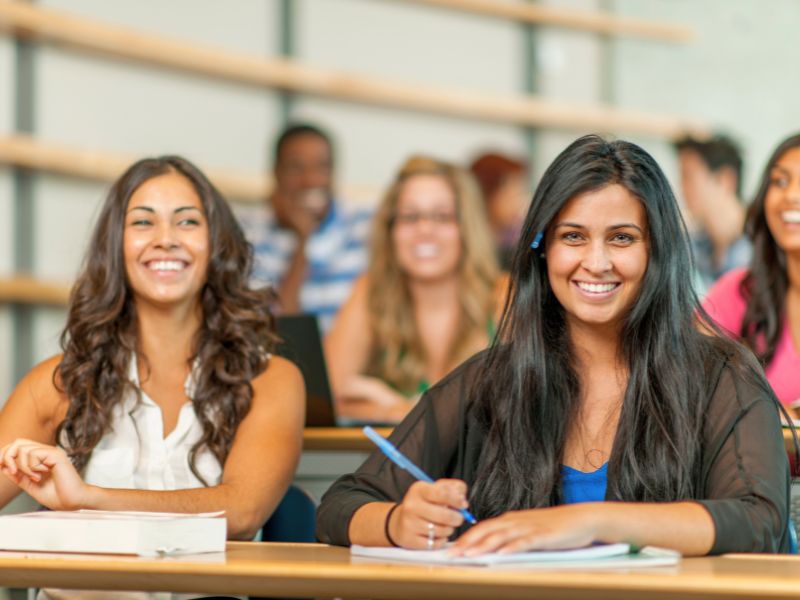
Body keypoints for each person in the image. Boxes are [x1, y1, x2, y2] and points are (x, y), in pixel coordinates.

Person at [317, 135, 790, 556]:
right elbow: (341, 505)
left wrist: (590, 522)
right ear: (542, 251)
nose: (596, 261)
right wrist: (399, 522)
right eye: (573, 237)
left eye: (622, 238)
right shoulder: (491, 379)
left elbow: (757, 520)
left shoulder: (722, 375)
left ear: (656, 251)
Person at [0, 156, 305, 598]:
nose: (165, 240)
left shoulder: (272, 380)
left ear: (216, 243)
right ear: (116, 246)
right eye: (143, 222)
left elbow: (241, 512)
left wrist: (87, 497)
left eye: (187, 222)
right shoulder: (57, 381)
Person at [325, 156, 502, 424]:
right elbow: (326, 400)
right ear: (390, 230)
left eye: (443, 217)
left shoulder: (505, 295)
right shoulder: (369, 292)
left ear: (467, 228)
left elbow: (521, 408)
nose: (425, 230)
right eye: (410, 217)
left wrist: (399, 407)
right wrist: (392, 410)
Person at [238, 123, 372, 332]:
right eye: (296, 167)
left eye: (322, 167)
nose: (310, 180)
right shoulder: (248, 235)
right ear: (276, 173)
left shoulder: (364, 229)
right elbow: (277, 334)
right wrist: (302, 240)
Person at [703, 133, 800, 417]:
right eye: (780, 182)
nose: (791, 195)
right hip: (760, 461)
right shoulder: (738, 291)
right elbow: (683, 384)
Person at [675, 134, 751, 292]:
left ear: (724, 180)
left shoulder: (760, 247)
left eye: (688, 177)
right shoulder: (695, 245)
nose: (681, 188)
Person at [469, 151, 529, 269]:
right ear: (488, 194)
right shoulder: (467, 249)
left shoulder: (514, 237)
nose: (520, 202)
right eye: (515, 194)